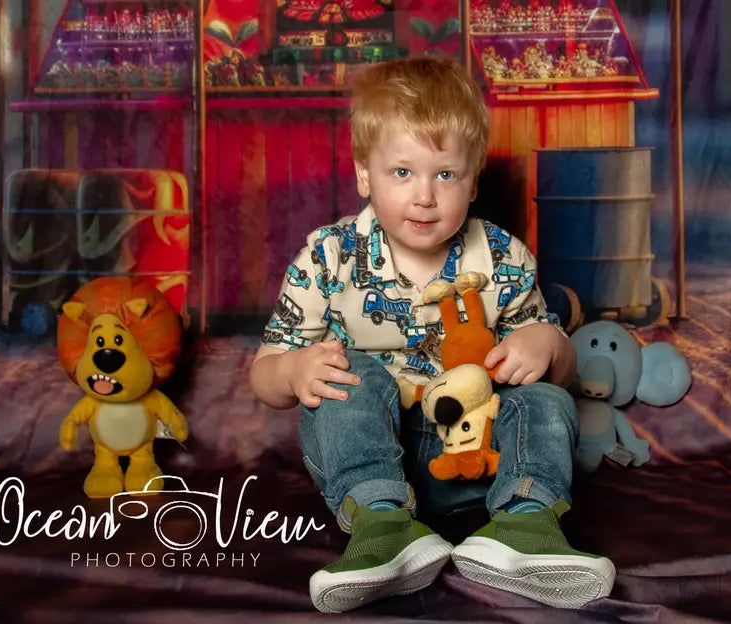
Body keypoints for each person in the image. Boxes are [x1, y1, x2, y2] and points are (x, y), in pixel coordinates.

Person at [248, 56, 615, 613]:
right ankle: (385, 530)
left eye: (445, 174)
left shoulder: (501, 256)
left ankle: (525, 527)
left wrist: (548, 344)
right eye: (402, 173)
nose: (424, 195)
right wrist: (293, 370)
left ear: (473, 181)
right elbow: (264, 377)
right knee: (349, 374)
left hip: (476, 453)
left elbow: (558, 371)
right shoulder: (328, 256)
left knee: (543, 396)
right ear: (364, 174)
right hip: (366, 451)